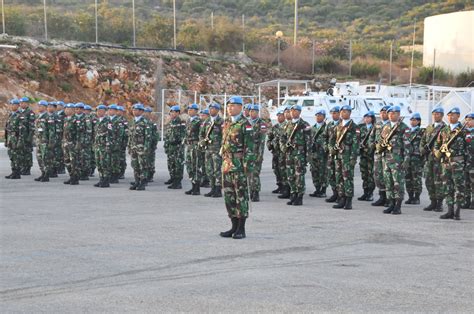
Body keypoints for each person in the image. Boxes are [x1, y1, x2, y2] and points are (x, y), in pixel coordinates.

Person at [220, 96, 255, 239]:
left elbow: (250, 148)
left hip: (239, 165)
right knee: (229, 196)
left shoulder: (245, 124)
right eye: (229, 105)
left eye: (233, 105)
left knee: (241, 197)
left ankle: (241, 228)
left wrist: (247, 166)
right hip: (227, 165)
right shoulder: (227, 123)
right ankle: (233, 226)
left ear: (241, 107)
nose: (230, 108)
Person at [434, 107, 468, 220]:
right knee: (447, 187)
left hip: (458, 162)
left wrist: (465, 162)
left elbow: (469, 147)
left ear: (458, 116)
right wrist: (438, 152)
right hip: (446, 163)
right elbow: (436, 145)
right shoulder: (444, 130)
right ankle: (449, 211)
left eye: (454, 115)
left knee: (459, 187)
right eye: (449, 115)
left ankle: (457, 211)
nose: (451, 117)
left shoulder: (463, 130)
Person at [377, 105, 411, 215]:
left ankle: (398, 205)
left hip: (398, 160)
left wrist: (406, 160)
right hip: (386, 159)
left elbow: (407, 146)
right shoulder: (385, 126)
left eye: (394, 113)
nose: (391, 115)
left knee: (398, 183)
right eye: (390, 113)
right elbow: (380, 140)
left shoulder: (403, 128)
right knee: (388, 182)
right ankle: (391, 203)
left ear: (399, 114)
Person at [332, 105, 360, 210]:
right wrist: (331, 148)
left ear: (349, 113)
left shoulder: (354, 127)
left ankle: (348, 201)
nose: (344, 113)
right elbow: (332, 139)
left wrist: (353, 158)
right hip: (338, 156)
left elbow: (355, 144)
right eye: (342, 112)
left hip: (347, 157)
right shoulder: (338, 125)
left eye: (346, 112)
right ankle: (341, 198)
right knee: (339, 178)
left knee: (347, 178)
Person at [284, 104, 311, 206]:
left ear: (299, 112)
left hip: (299, 154)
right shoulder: (288, 124)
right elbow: (283, 138)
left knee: (299, 176)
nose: (293, 112)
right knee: (290, 175)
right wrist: (284, 147)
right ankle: (293, 194)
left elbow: (309, 141)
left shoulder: (305, 124)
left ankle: (299, 196)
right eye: (291, 111)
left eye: (295, 111)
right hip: (289, 153)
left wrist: (307, 156)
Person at [420, 107, 446, 212]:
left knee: (438, 181)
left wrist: (439, 152)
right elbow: (422, 141)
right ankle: (433, 201)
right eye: (434, 114)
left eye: (438, 114)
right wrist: (422, 149)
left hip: (438, 160)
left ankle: (439, 203)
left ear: (442, 115)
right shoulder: (429, 128)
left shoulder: (445, 128)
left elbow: (446, 143)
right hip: (428, 159)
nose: (436, 116)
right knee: (428, 181)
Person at [200, 103, 223, 197]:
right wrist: (202, 141)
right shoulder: (207, 121)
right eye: (210, 108)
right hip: (208, 149)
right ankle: (212, 188)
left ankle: (218, 189)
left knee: (217, 170)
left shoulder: (221, 121)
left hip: (217, 150)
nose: (211, 110)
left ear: (217, 110)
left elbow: (224, 135)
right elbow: (201, 134)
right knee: (209, 170)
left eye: (213, 108)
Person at [129, 103, 152, 191]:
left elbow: (148, 137)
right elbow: (130, 135)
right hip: (133, 147)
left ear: (141, 111)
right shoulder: (133, 121)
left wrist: (146, 148)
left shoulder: (145, 122)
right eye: (133, 110)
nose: (134, 111)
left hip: (141, 147)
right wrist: (129, 146)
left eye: (136, 110)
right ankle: (136, 181)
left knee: (142, 165)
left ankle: (142, 182)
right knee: (135, 165)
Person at [248, 104, 268, 202]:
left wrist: (260, 155)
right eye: (251, 111)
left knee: (254, 173)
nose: (252, 113)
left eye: (254, 111)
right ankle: (250, 191)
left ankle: (255, 192)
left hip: (256, 152)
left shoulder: (262, 123)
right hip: (247, 153)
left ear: (257, 112)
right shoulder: (247, 123)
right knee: (248, 173)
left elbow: (262, 141)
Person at [372, 105, 390, 206]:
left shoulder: (392, 125)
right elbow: (372, 137)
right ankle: (382, 196)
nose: (383, 114)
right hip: (378, 154)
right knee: (378, 175)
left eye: (385, 112)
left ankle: (389, 198)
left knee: (387, 176)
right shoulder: (377, 124)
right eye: (381, 113)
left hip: (388, 155)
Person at [164, 105, 186, 189]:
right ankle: (172, 178)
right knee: (171, 163)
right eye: (171, 112)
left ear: (178, 113)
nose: (172, 113)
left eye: (174, 112)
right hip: (170, 147)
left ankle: (178, 182)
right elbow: (168, 134)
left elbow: (183, 135)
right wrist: (166, 145)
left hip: (177, 147)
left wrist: (177, 141)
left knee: (178, 164)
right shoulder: (171, 122)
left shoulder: (181, 122)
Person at [405, 113, 425, 205]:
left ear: (419, 121)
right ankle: (410, 197)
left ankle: (417, 198)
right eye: (411, 120)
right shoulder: (407, 132)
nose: (412, 122)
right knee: (408, 178)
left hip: (416, 158)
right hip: (407, 158)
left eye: (415, 120)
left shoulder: (422, 132)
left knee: (416, 178)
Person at [309, 108, 328, 198]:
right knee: (314, 171)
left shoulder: (326, 128)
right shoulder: (312, 128)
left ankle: (323, 190)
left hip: (323, 154)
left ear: (324, 117)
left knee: (323, 172)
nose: (318, 117)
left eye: (320, 116)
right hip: (314, 154)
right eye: (316, 115)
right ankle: (317, 189)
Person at [358, 111, 376, 201]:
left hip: (371, 155)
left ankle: (370, 193)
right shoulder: (361, 127)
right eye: (365, 117)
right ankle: (365, 192)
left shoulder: (375, 128)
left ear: (372, 118)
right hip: (363, 155)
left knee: (371, 175)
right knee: (364, 174)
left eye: (369, 117)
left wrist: (370, 147)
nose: (367, 119)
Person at [267, 107, 286, 194]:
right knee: (276, 169)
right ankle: (279, 185)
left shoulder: (287, 126)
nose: (279, 117)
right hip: (275, 152)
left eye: (281, 115)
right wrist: (270, 145)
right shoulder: (275, 127)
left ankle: (285, 187)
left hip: (283, 153)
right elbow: (269, 137)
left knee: (283, 170)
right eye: (278, 116)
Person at [184, 103, 202, 195]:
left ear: (196, 111)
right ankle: (193, 185)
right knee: (189, 166)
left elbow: (201, 135)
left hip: (195, 147)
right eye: (188, 109)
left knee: (195, 167)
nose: (189, 111)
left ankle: (197, 188)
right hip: (189, 146)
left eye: (191, 109)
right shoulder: (188, 121)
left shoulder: (199, 121)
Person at [93, 105, 112, 188]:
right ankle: (101, 179)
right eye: (98, 111)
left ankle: (106, 180)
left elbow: (110, 134)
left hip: (104, 146)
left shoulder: (108, 121)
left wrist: (108, 146)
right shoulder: (97, 121)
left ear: (105, 112)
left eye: (101, 111)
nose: (99, 112)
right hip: (98, 146)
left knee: (105, 163)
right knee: (99, 163)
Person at [4, 99, 24, 179]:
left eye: (14, 104)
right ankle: (13, 171)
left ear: (18, 106)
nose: (12, 106)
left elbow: (22, 131)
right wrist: (6, 140)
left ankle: (17, 173)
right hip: (10, 138)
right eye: (11, 104)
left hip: (16, 138)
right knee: (11, 155)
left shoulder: (20, 115)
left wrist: (20, 141)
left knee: (17, 156)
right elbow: (7, 129)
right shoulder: (11, 115)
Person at [325, 106, 341, 203]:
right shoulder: (329, 125)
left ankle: (340, 195)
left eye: (335, 113)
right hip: (330, 154)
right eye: (332, 113)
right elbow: (324, 137)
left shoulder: (342, 124)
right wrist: (327, 147)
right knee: (331, 174)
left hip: (340, 154)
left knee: (339, 175)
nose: (333, 115)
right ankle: (335, 193)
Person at [63, 103, 80, 185]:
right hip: (66, 143)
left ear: (73, 110)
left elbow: (79, 133)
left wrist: (77, 144)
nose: (66, 110)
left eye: (69, 109)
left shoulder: (76, 120)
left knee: (74, 161)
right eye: (66, 109)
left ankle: (75, 177)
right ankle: (71, 176)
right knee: (67, 161)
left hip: (73, 143)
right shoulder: (66, 119)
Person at [18, 96, 35, 175]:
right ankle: (22, 167)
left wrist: (29, 137)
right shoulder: (20, 112)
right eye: (20, 103)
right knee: (21, 152)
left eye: (23, 103)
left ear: (27, 104)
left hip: (27, 136)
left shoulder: (30, 112)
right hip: (20, 136)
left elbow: (32, 127)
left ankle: (27, 168)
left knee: (27, 152)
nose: (21, 104)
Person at [198, 108, 211, 188]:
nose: (202, 116)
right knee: (202, 163)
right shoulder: (200, 123)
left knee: (207, 164)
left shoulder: (209, 123)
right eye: (201, 115)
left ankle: (207, 180)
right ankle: (204, 179)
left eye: (203, 115)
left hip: (208, 147)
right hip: (201, 147)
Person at [464, 113, 474, 209]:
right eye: (466, 119)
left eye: (470, 119)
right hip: (464, 162)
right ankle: (466, 201)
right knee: (465, 182)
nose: (468, 121)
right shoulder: (463, 132)